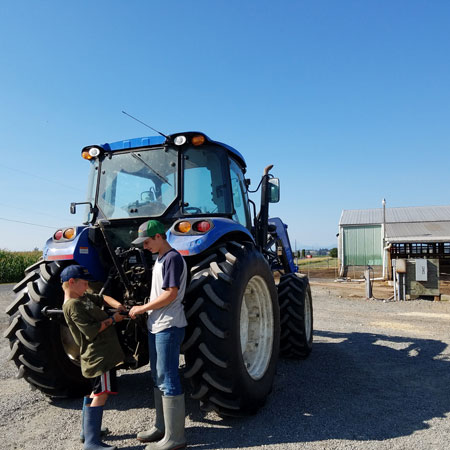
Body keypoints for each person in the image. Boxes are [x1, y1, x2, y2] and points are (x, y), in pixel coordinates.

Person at [129, 219, 187, 450]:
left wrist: (143, 308)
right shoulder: (161, 259)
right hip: (157, 325)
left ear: (159, 237)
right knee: (157, 375)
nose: (144, 246)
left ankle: (175, 438)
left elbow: (171, 294)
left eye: (147, 241)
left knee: (168, 377)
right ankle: (162, 427)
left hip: (169, 326)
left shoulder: (172, 258)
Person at [61, 264, 126, 450]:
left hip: (100, 354)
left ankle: (87, 432)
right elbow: (91, 331)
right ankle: (92, 442)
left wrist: (117, 305)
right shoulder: (73, 305)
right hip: (100, 356)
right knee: (102, 393)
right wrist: (113, 319)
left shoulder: (81, 299)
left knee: (95, 392)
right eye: (84, 283)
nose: (87, 286)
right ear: (71, 282)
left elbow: (100, 298)